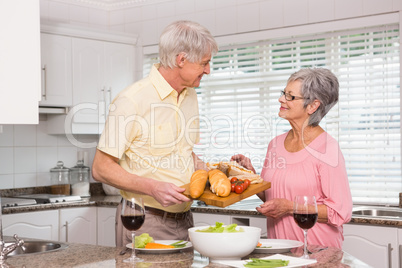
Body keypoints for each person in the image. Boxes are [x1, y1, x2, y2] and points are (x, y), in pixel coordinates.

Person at [92, 20, 218, 247]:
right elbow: (101, 168)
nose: (208, 70)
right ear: (181, 59)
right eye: (204, 63)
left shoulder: (190, 96)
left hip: (185, 220)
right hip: (143, 220)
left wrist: (206, 169)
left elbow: (184, 151)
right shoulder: (131, 100)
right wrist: (153, 188)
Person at [232, 68, 352, 249]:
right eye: (283, 93)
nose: (281, 99)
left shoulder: (327, 149)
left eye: (290, 96)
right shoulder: (275, 144)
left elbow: (340, 212)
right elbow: (272, 197)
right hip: (280, 249)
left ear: (313, 106)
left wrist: (290, 207)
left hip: (317, 251)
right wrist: (250, 175)